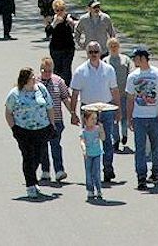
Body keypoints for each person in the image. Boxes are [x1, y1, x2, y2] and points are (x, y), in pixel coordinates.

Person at [68, 41, 120, 184]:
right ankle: (91, 171)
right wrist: (73, 112)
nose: (93, 55)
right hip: (88, 109)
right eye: (90, 52)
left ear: (100, 52)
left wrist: (118, 109)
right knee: (89, 141)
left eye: (96, 52)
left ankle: (108, 169)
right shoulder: (80, 71)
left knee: (107, 140)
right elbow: (75, 93)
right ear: (87, 53)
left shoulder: (109, 69)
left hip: (106, 108)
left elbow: (115, 90)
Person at [4, 67, 57, 200]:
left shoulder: (41, 89)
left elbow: (50, 107)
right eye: (32, 77)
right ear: (25, 80)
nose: (35, 79)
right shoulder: (15, 93)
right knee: (28, 156)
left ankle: (32, 179)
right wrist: (14, 128)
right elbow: (8, 112)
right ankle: (30, 185)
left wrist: (52, 124)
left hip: (42, 129)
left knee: (38, 156)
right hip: (23, 130)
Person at [126, 46, 158, 189]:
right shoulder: (133, 77)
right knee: (140, 149)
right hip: (139, 118)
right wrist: (129, 117)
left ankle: (156, 173)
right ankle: (141, 177)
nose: (133, 61)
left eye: (135, 58)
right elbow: (130, 98)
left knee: (156, 147)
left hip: (154, 117)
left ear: (143, 58)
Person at [37, 57, 70, 184]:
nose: (47, 73)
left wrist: (72, 113)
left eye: (49, 71)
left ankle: (59, 171)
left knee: (55, 145)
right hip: (41, 121)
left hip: (56, 120)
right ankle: (45, 170)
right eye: (44, 70)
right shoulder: (35, 82)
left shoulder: (58, 81)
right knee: (43, 146)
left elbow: (65, 98)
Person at [106, 38, 132, 152]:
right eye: (111, 46)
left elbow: (130, 73)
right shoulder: (105, 61)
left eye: (115, 45)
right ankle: (115, 140)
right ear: (108, 47)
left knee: (124, 116)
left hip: (124, 93)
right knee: (114, 118)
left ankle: (124, 134)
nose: (114, 47)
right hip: (111, 94)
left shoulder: (125, 59)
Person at [47, 0, 78, 86]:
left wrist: (72, 22)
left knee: (66, 69)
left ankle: (66, 88)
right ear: (54, 10)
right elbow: (48, 32)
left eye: (62, 9)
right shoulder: (53, 19)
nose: (60, 12)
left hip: (68, 48)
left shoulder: (69, 17)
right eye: (57, 10)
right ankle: (57, 88)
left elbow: (80, 25)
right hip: (55, 48)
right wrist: (55, 23)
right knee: (57, 69)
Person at [79, 108, 106, 200]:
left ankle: (99, 189)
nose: (94, 121)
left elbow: (103, 138)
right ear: (86, 120)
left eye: (95, 119)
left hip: (97, 153)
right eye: (92, 119)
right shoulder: (83, 131)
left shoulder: (97, 129)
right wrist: (84, 150)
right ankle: (90, 189)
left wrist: (101, 130)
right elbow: (82, 141)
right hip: (88, 155)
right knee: (88, 172)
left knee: (96, 172)